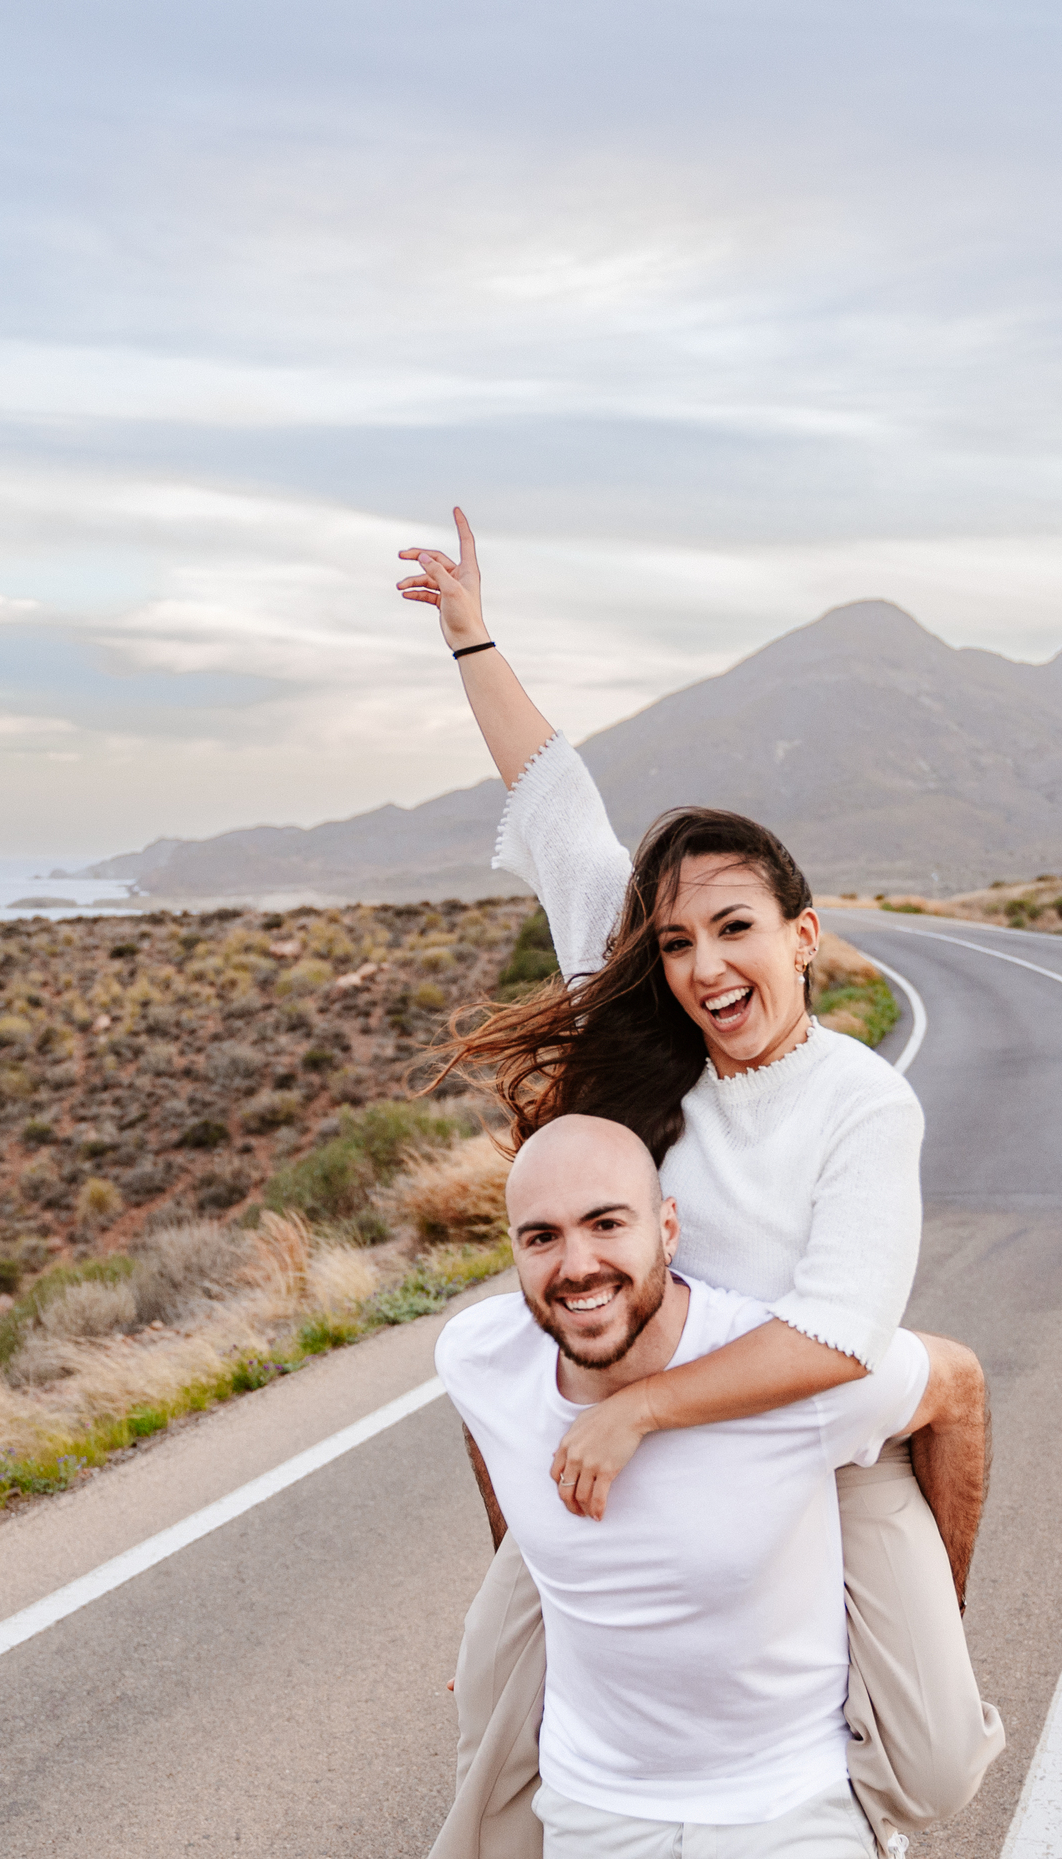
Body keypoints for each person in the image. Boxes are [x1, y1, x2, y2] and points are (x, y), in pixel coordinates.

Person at [399, 511, 1004, 1857]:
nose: (704, 964)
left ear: (800, 934)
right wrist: (471, 634)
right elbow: (556, 809)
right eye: (675, 938)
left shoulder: (860, 1100)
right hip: (630, 1405)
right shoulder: (641, 1034)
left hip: (800, 1427)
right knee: (494, 1738)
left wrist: (654, 1409)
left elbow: (839, 1331)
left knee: (937, 1747)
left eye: (734, 929)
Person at [439, 1114, 990, 1858]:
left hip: (792, 1808)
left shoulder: (791, 1373)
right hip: (591, 1810)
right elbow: (487, 1426)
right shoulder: (479, 1355)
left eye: (607, 1224)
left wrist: (940, 1612)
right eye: (542, 1236)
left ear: (669, 1229)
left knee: (940, 1767)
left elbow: (958, 1385)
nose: (576, 1265)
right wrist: (531, 1570)